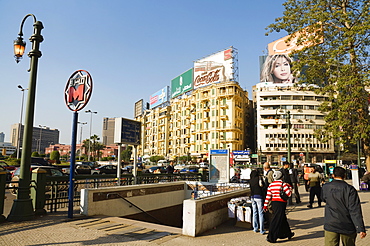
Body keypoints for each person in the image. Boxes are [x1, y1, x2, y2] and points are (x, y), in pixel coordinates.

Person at [322, 166, 366, 245]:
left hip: (331, 223)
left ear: (333, 175)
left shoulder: (325, 187)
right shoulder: (350, 189)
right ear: (344, 176)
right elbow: (355, 209)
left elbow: (323, 199)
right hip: (347, 223)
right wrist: (360, 228)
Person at [263, 170, 294, 243]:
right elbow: (289, 194)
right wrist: (290, 187)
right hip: (281, 203)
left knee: (282, 218)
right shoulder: (283, 184)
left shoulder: (271, 185)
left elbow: (268, 197)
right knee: (276, 219)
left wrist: (265, 206)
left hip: (274, 203)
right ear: (281, 177)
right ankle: (271, 237)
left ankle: (288, 233)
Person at [250, 170, 266, 235]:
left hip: (252, 197)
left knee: (254, 213)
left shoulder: (250, 180)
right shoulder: (259, 179)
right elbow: (263, 186)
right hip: (259, 196)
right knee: (261, 213)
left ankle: (255, 228)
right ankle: (262, 229)